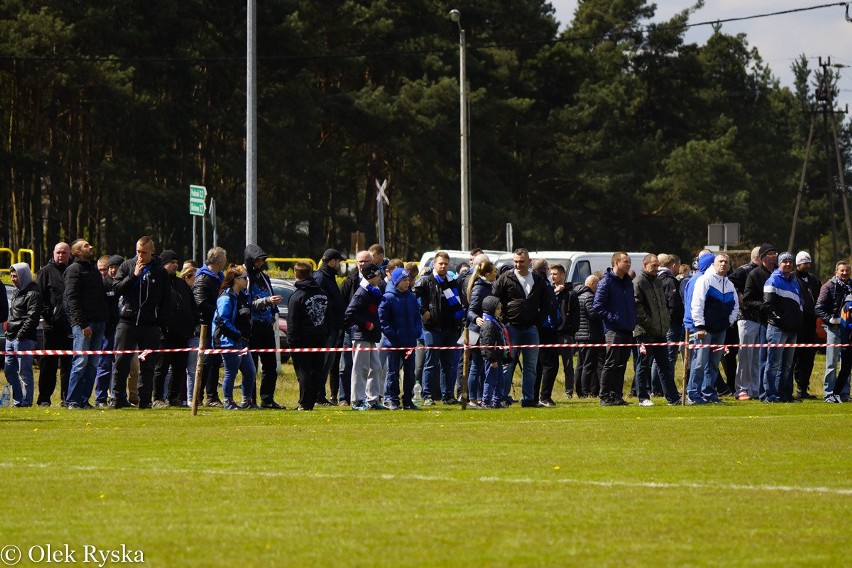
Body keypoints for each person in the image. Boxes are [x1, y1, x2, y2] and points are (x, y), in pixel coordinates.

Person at [110, 236, 172, 409]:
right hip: (127, 321)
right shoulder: (127, 266)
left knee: (148, 364)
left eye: (144, 252)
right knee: (121, 361)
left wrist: (161, 323)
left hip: (149, 324)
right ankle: (118, 399)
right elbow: (116, 289)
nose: (140, 256)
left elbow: (166, 299)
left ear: (152, 251)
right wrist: (133, 275)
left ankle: (145, 400)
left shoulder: (160, 271)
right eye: (138, 251)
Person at [492, 248, 551, 407]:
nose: (518, 264)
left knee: (531, 367)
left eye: (521, 261)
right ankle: (503, 398)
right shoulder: (505, 278)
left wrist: (538, 321)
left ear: (529, 262)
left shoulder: (538, 279)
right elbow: (494, 301)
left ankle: (528, 398)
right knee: (508, 365)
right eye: (515, 261)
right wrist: (503, 322)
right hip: (511, 328)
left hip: (531, 329)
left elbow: (547, 303)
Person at [415, 251, 464, 406]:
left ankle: (448, 395)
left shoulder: (453, 282)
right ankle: (427, 395)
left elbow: (460, 303)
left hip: (451, 329)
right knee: (431, 362)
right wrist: (423, 312)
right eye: (440, 263)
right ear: (434, 264)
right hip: (433, 328)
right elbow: (412, 298)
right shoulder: (425, 281)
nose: (443, 266)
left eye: (445, 264)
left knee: (448, 364)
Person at [64, 239, 108, 409]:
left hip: (99, 323)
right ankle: (73, 400)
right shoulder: (73, 270)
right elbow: (72, 300)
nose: (90, 247)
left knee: (93, 364)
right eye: (85, 246)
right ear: (77, 252)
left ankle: (84, 399)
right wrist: (83, 324)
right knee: (80, 361)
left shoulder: (94, 270)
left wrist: (104, 319)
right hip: (84, 325)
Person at [689, 254, 739, 404]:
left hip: (720, 330)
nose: (723, 264)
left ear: (729, 266)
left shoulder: (729, 284)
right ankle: (693, 394)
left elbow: (735, 306)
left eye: (726, 262)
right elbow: (697, 303)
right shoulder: (705, 280)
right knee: (699, 362)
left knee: (713, 364)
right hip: (705, 330)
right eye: (720, 261)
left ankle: (709, 393)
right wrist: (700, 326)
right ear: (714, 264)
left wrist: (727, 323)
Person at [633, 254, 680, 406]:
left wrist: (664, 323)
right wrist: (650, 323)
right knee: (643, 365)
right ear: (644, 265)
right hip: (645, 332)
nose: (656, 268)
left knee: (665, 365)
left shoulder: (658, 281)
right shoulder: (639, 282)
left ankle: (673, 398)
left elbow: (663, 305)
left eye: (657, 265)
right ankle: (643, 397)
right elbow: (637, 308)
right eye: (653, 265)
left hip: (660, 332)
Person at [592, 252, 637, 406]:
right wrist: (613, 318)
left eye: (629, 261)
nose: (629, 264)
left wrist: (632, 320)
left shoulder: (628, 282)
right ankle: (604, 397)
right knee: (611, 363)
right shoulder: (606, 282)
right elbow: (597, 306)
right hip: (613, 330)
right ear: (616, 263)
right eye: (626, 261)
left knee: (622, 364)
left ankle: (616, 395)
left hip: (627, 328)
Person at [152, 250, 196, 408]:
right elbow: (155, 307)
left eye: (177, 263)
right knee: (161, 368)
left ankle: (173, 397)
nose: (175, 265)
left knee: (179, 368)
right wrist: (161, 327)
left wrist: (191, 325)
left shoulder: (181, 284)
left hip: (181, 334)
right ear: (164, 265)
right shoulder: (158, 283)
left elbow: (191, 306)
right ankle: (157, 398)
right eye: (172, 263)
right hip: (164, 334)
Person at [244, 245, 284, 409]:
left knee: (270, 366)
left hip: (267, 326)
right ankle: (250, 399)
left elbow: (270, 296)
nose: (260, 263)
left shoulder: (264, 277)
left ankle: (267, 399)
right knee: (251, 366)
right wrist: (267, 301)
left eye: (262, 260)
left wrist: (274, 310)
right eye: (257, 260)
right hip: (252, 328)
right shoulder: (245, 278)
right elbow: (246, 303)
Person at [211, 265, 256, 410]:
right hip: (228, 341)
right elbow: (222, 320)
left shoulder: (240, 296)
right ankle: (228, 401)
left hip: (241, 341)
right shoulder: (226, 297)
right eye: (244, 278)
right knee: (231, 371)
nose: (246, 280)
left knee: (250, 371)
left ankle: (246, 401)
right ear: (236, 280)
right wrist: (237, 334)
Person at [288, 261, 329, 411]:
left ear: (296, 274)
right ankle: (310, 401)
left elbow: (292, 321)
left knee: (303, 371)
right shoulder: (322, 294)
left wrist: (292, 341)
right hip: (320, 336)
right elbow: (328, 316)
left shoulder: (297, 296)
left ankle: (304, 403)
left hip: (302, 339)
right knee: (317, 370)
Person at [762, 252, 803, 403]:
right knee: (773, 364)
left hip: (792, 330)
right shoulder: (772, 280)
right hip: (777, 328)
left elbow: (800, 306)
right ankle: (770, 395)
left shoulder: (794, 281)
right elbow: (768, 305)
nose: (787, 264)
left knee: (786, 366)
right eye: (784, 261)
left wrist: (797, 323)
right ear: (779, 263)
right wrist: (781, 321)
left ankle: (784, 394)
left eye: (790, 262)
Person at [379, 267, 422, 410]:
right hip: (393, 344)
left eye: (408, 280)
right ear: (397, 281)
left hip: (409, 342)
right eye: (404, 280)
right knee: (393, 373)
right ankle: (392, 399)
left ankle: (408, 400)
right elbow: (383, 320)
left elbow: (417, 318)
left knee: (410, 372)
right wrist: (393, 335)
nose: (407, 283)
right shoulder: (388, 297)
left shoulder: (411, 297)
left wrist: (416, 332)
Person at [36, 242, 72, 407]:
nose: (61, 256)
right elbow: (39, 298)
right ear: (53, 253)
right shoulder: (45, 272)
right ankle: (44, 399)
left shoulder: (73, 271)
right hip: (50, 327)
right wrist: (49, 316)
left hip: (70, 327)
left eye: (64, 253)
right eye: (58, 252)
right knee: (48, 365)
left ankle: (67, 398)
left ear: (70, 254)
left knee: (68, 365)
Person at [740, 243, 778, 399]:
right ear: (762, 258)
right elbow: (748, 300)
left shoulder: (779, 274)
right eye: (770, 253)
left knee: (775, 359)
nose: (773, 256)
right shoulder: (754, 274)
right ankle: (761, 391)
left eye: (775, 253)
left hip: (779, 323)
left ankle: (775, 390)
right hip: (761, 321)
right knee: (760, 358)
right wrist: (765, 307)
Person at [346, 263, 385, 410]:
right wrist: (365, 324)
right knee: (360, 368)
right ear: (370, 276)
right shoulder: (361, 293)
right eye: (377, 274)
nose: (379, 277)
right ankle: (357, 400)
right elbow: (350, 313)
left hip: (371, 336)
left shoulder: (373, 291)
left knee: (375, 367)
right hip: (361, 335)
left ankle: (372, 400)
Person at [193, 246, 228, 407]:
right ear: (219, 260)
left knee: (214, 362)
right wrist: (219, 311)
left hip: (215, 327)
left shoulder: (219, 277)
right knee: (206, 362)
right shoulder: (203, 278)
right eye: (224, 259)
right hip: (204, 326)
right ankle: (199, 396)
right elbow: (200, 303)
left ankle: (212, 396)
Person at [4, 263, 43, 407]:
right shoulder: (16, 291)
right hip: (10, 337)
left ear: (23, 275)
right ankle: (17, 400)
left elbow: (31, 318)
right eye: (12, 276)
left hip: (24, 339)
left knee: (24, 372)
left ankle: (26, 402)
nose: (13, 279)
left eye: (16, 276)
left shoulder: (34, 293)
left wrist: (20, 335)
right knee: (9, 370)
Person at [337, 250, 373, 406]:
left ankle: (367, 397)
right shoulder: (349, 282)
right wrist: (347, 325)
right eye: (360, 261)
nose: (363, 264)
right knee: (346, 365)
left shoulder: (377, 282)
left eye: (366, 261)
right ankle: (344, 397)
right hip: (350, 330)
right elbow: (343, 307)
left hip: (369, 331)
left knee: (370, 367)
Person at [815, 260, 852, 403]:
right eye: (842, 270)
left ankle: (844, 393)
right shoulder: (828, 286)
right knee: (831, 363)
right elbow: (818, 308)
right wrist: (831, 319)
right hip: (834, 329)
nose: (844, 273)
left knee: (846, 364)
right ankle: (829, 393)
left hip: (849, 332)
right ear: (836, 272)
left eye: (847, 270)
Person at [313, 248, 346, 406]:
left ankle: (321, 395)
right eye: (338, 261)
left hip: (334, 328)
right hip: (326, 330)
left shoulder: (329, 277)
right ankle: (318, 395)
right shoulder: (320, 278)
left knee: (327, 365)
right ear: (332, 262)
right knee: (321, 364)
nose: (340, 265)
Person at [465, 260, 497, 408]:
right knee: (475, 366)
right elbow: (470, 311)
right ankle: (472, 399)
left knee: (481, 365)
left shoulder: (489, 286)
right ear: (488, 274)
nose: (496, 275)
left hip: (484, 331)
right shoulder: (479, 288)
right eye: (494, 273)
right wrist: (476, 318)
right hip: (475, 331)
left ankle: (481, 397)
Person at [652, 254, 683, 398]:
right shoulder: (669, 281)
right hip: (671, 324)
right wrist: (672, 320)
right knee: (667, 358)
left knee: (658, 358)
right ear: (674, 265)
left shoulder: (654, 279)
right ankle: (665, 388)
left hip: (660, 323)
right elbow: (673, 304)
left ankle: (656, 388)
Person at [94, 255, 123, 407]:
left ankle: (118, 397)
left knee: (120, 367)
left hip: (123, 331)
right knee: (104, 366)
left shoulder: (125, 284)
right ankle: (100, 398)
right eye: (110, 267)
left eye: (115, 267)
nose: (112, 270)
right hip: (107, 332)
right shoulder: (103, 285)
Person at [792, 251, 821, 399]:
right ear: (798, 264)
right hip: (797, 325)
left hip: (811, 325)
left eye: (809, 263)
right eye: (805, 263)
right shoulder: (792, 279)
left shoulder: (814, 280)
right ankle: (790, 389)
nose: (808, 265)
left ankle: (803, 388)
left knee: (809, 358)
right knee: (795, 358)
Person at [548, 264, 580, 399]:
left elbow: (576, 315)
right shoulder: (549, 291)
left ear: (562, 275)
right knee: (551, 364)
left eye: (555, 274)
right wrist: (555, 293)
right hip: (551, 333)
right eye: (551, 274)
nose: (552, 276)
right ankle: (547, 392)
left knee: (568, 365)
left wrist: (571, 332)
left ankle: (569, 391)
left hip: (566, 334)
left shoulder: (571, 294)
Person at [574, 274, 603, 398]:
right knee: (589, 365)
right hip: (589, 335)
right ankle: (586, 391)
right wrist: (602, 312)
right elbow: (593, 315)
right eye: (597, 285)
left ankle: (579, 390)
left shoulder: (578, 295)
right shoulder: (589, 297)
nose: (598, 288)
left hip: (580, 334)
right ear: (592, 284)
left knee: (580, 364)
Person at [479, 296, 510, 408]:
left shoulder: (495, 322)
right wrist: (492, 360)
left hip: (498, 356)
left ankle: (497, 401)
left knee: (500, 380)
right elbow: (487, 344)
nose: (500, 311)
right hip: (492, 359)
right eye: (497, 309)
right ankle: (486, 401)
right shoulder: (488, 323)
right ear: (491, 309)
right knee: (490, 380)